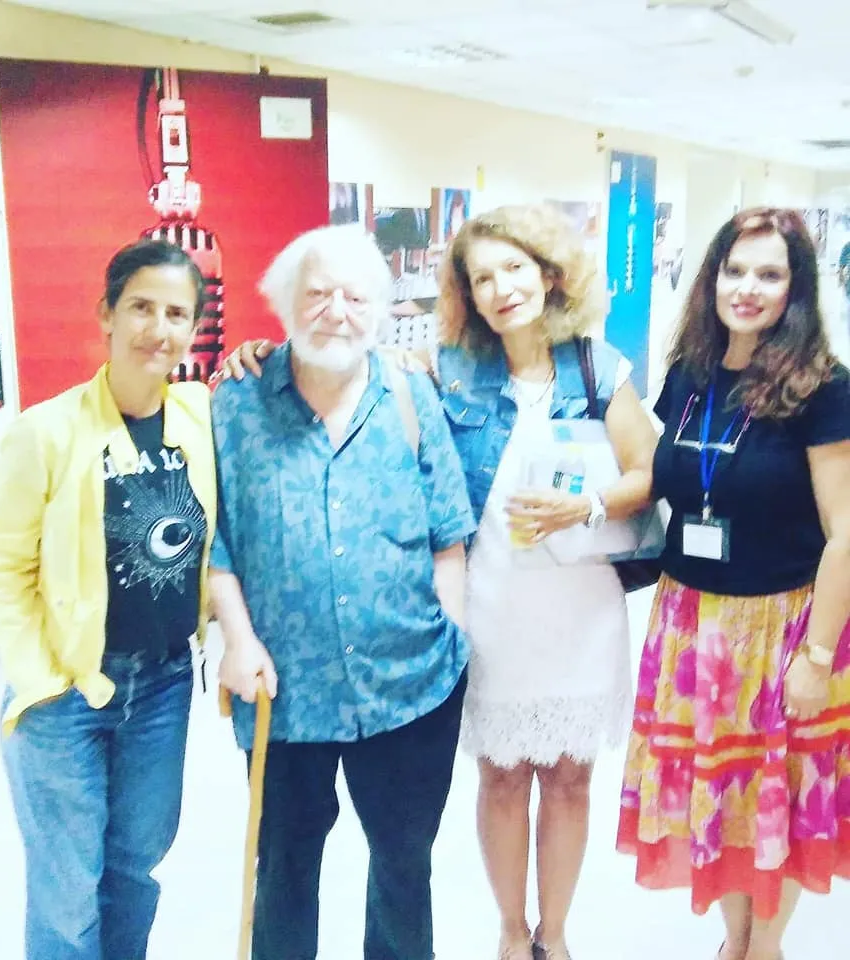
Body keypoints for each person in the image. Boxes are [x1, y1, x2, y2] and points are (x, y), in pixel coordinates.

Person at [221, 204, 659, 960]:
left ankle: (553, 935)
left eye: (514, 269)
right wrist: (261, 349)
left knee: (566, 782)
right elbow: (343, 355)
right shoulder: (444, 370)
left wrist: (587, 505)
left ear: (550, 273)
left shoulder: (597, 367)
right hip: (492, 612)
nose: (501, 288)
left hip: (574, 606)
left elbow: (650, 472)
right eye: (482, 277)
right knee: (500, 780)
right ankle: (512, 933)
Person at [208, 224, 475, 960]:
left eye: (356, 297)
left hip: (410, 686)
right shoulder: (235, 404)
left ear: (381, 311)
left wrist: (448, 635)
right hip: (283, 691)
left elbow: (449, 535)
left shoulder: (410, 394)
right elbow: (216, 539)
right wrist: (237, 639)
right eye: (318, 293)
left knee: (403, 865)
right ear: (284, 302)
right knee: (284, 866)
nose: (336, 311)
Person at [616, 207, 850, 960]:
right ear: (711, 277)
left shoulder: (822, 387)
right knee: (721, 799)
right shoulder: (690, 374)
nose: (747, 288)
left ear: (796, 289)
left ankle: (763, 949)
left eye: (770, 274)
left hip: (785, 626)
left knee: (777, 796)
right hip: (691, 625)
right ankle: (736, 944)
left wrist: (817, 658)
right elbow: (656, 472)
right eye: (735, 270)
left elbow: (846, 532)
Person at [0, 239, 217, 960]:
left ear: (193, 328)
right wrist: (39, 678)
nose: (158, 328)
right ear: (106, 314)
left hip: (164, 684)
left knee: (135, 869)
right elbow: (4, 565)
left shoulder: (201, 417)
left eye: (176, 314)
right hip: (68, 690)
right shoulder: (45, 432)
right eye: (141, 306)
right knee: (68, 888)